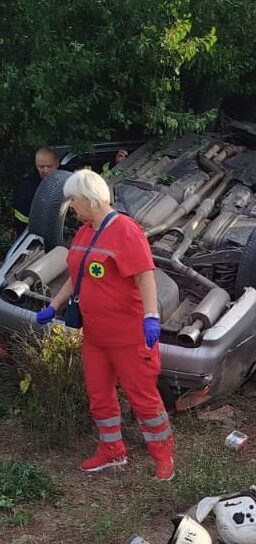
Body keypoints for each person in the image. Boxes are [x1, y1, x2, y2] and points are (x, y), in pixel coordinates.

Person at [35, 169, 174, 481]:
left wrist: (151, 317)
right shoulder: (85, 231)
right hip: (96, 335)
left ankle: (163, 456)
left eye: (73, 200)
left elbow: (144, 275)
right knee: (99, 393)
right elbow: (77, 274)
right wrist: (54, 305)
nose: (71, 206)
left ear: (89, 199)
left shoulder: (125, 230)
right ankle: (112, 451)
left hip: (128, 336)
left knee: (143, 397)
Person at [12, 147, 59, 236]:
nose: (45, 170)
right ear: (36, 165)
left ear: (57, 163)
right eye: (41, 166)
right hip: (29, 235)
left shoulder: (65, 180)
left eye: (49, 166)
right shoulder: (26, 188)